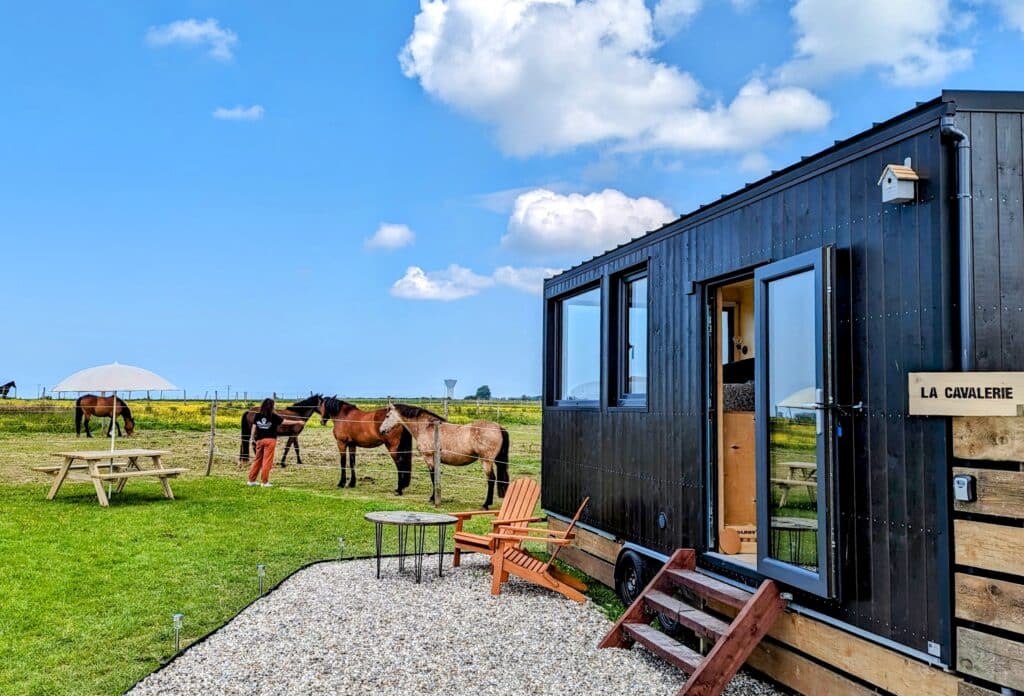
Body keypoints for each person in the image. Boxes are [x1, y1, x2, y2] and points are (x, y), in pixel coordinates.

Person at [247, 398, 283, 487]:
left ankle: (251, 480)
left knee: (257, 460)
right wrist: (298, 421)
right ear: (272, 406)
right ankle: (264, 482)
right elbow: (285, 422)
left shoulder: (257, 415)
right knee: (267, 461)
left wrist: (252, 438)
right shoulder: (274, 416)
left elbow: (254, 427)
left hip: (259, 440)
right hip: (270, 440)